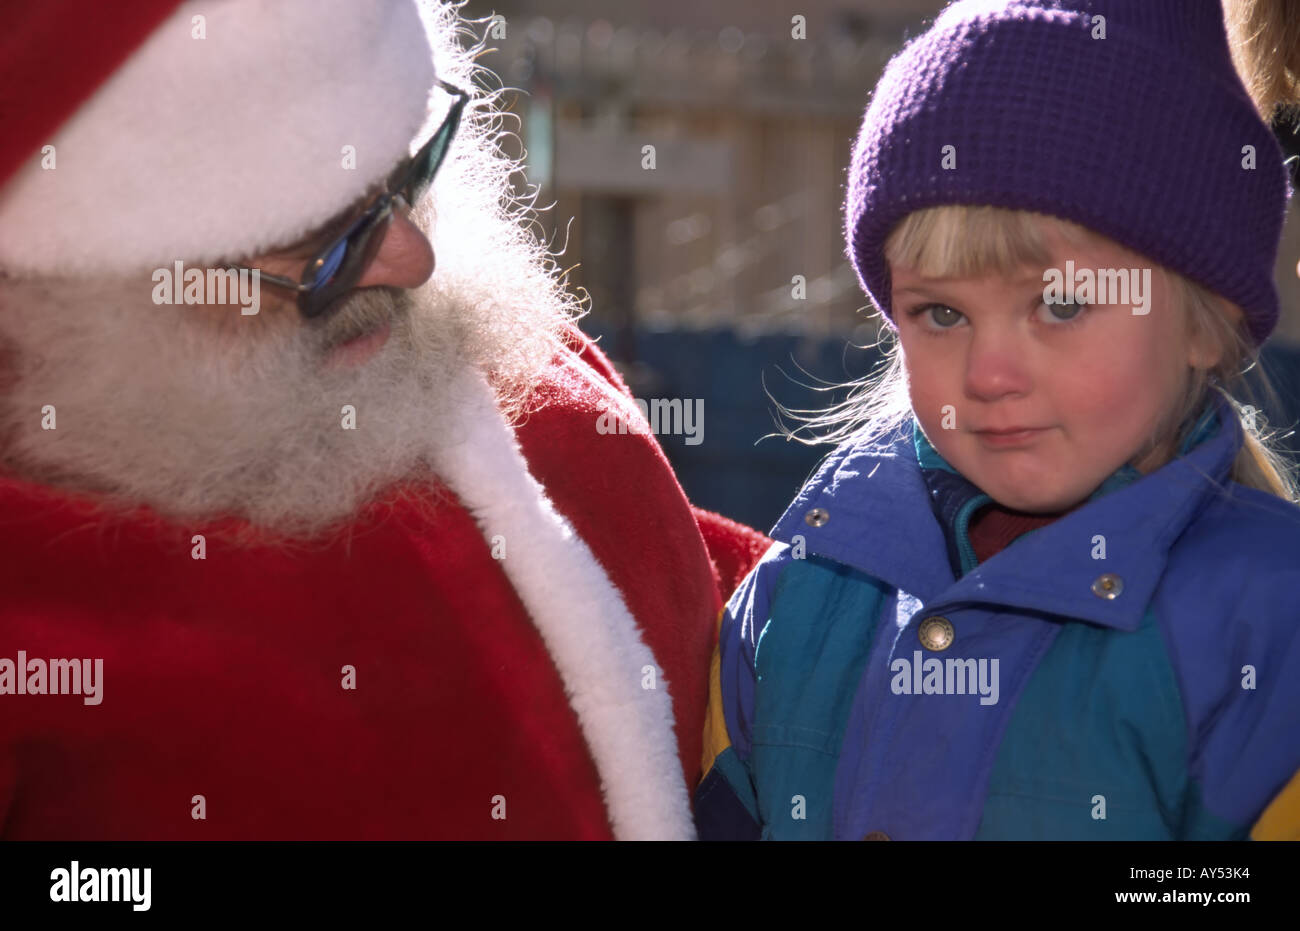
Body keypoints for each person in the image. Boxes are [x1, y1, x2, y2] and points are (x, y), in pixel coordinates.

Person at [0, 0, 769, 840]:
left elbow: (696, 592)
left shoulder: (466, 344)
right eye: (324, 249)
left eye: (411, 173)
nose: (415, 260)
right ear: (78, 301)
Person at [694, 0, 1300, 840]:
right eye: (941, 314)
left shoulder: (1269, 627)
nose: (989, 374)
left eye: (1058, 304)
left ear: (1206, 322)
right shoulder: (799, 594)